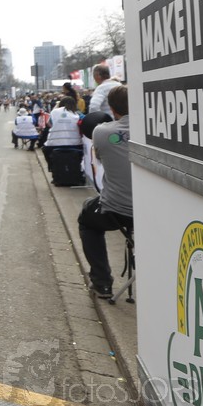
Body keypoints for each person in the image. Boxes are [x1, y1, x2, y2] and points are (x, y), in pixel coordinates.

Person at [79, 86, 133, 299]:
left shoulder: (101, 132)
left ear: (111, 108)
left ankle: (102, 282)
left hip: (117, 210)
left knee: (87, 219)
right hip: (153, 211)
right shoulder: (156, 129)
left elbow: (101, 159)